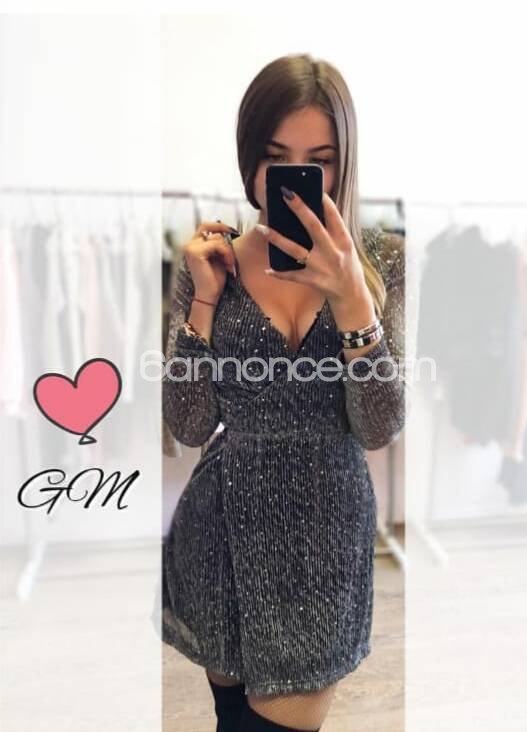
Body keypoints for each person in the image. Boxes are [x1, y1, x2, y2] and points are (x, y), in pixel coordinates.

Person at [161, 53, 408, 732]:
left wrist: (353, 300)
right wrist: (203, 302)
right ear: (250, 161)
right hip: (222, 528)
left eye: (318, 161)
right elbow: (189, 424)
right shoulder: (210, 263)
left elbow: (379, 426)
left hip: (326, 536)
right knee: (233, 721)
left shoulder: (382, 262)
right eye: (276, 158)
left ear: (344, 164)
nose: (295, 180)